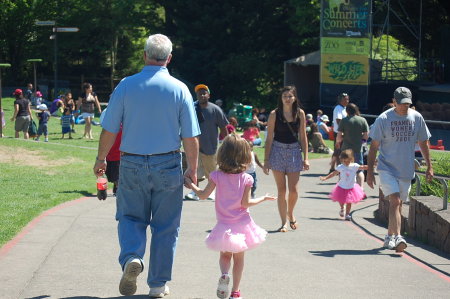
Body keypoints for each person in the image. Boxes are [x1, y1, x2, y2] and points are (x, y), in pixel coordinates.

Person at [93, 33, 200, 297]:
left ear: (144, 55)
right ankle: (158, 285)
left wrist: (101, 158)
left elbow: (109, 128)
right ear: (169, 58)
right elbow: (190, 136)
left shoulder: (126, 86)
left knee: (130, 217)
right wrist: (193, 169)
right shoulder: (180, 89)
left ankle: (132, 257)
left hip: (131, 162)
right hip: (168, 162)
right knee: (166, 226)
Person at [185, 135, 276, 299]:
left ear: (223, 154)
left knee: (225, 255)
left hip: (224, 224)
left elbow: (204, 195)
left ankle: (224, 274)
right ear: (245, 156)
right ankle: (235, 291)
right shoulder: (247, 178)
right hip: (242, 225)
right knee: (239, 259)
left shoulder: (216, 175)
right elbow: (246, 203)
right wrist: (262, 198)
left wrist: (191, 184)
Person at [367, 87, 433, 253]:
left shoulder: (416, 117)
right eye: (402, 103)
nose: (405, 107)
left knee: (398, 204)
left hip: (406, 168)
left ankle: (389, 236)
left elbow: (424, 142)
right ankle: (398, 237)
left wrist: (429, 166)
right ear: (394, 101)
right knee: (395, 201)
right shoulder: (384, 118)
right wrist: (369, 172)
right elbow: (373, 146)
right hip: (386, 167)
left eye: (408, 104)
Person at [263, 86, 310, 232]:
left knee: (294, 190)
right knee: (281, 190)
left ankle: (290, 212)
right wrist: (266, 160)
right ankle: (283, 222)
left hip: (294, 152)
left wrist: (306, 158)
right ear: (281, 98)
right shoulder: (274, 114)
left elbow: (303, 136)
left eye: (290, 96)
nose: (287, 99)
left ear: (295, 98)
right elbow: (269, 138)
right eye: (285, 96)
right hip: (277, 150)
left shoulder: (300, 113)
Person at [185, 83, 229, 201]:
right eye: (199, 93)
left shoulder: (215, 109)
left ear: (209, 95)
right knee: (195, 170)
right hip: (194, 146)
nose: (202, 95)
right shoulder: (192, 108)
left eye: (204, 93)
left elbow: (224, 127)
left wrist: (227, 144)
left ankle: (212, 192)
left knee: (212, 171)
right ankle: (195, 192)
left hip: (211, 146)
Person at [320, 149, 367, 220]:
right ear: (341, 160)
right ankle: (342, 208)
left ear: (351, 159)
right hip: (342, 186)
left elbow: (363, 167)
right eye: (344, 161)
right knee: (341, 200)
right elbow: (333, 173)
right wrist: (325, 178)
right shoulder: (341, 167)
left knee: (349, 201)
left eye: (348, 161)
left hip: (351, 187)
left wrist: (370, 166)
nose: (346, 163)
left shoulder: (354, 166)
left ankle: (347, 214)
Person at [335, 103, 369, 188]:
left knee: (344, 169)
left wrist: (339, 142)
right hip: (358, 148)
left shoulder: (344, 120)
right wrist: (362, 141)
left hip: (346, 149)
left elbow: (339, 136)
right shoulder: (362, 120)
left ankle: (343, 186)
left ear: (347, 111)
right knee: (359, 170)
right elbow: (366, 135)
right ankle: (360, 189)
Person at [100, 109, 122, 196]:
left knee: (116, 176)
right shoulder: (110, 127)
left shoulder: (121, 126)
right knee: (110, 174)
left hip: (117, 155)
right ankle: (113, 188)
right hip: (110, 154)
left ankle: (117, 189)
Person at [329, 93, 349, 173]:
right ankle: (337, 168)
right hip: (339, 133)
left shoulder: (344, 108)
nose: (347, 101)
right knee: (339, 151)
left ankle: (333, 167)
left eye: (348, 99)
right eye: (345, 99)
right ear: (340, 100)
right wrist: (343, 131)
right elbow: (338, 120)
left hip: (342, 132)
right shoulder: (338, 108)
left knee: (338, 151)